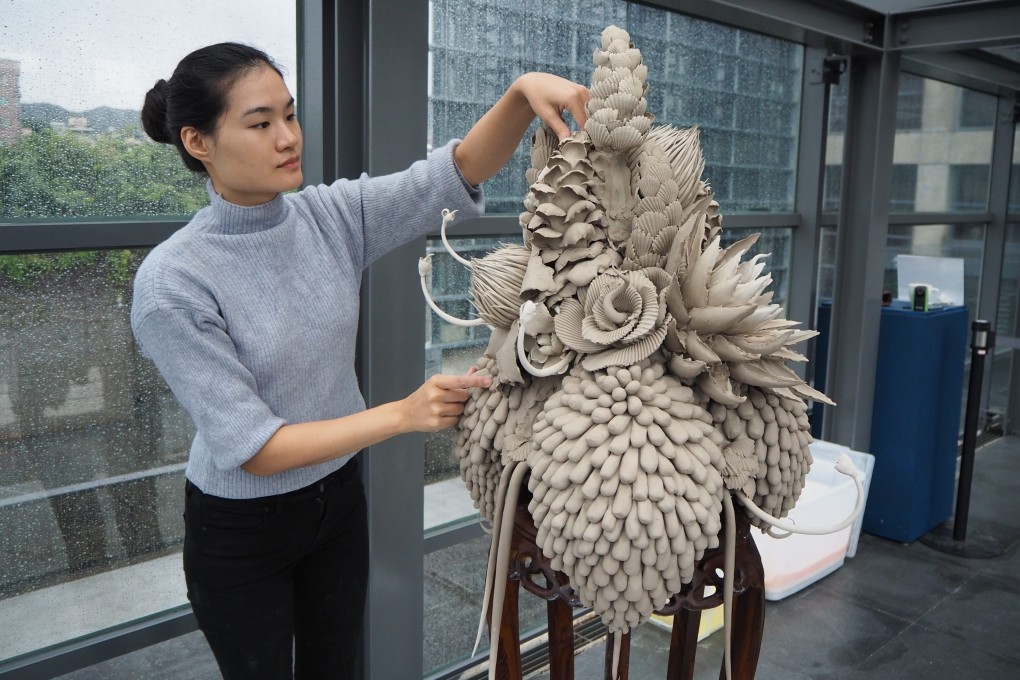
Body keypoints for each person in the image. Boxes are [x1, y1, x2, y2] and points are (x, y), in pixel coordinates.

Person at [131, 42, 588, 679]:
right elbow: (255, 447)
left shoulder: (328, 216)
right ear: (198, 142)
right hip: (241, 531)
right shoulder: (173, 283)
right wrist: (402, 414)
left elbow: (451, 174)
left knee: (337, 668)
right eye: (261, 124)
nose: (288, 137)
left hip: (338, 503)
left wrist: (519, 93)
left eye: (289, 115)